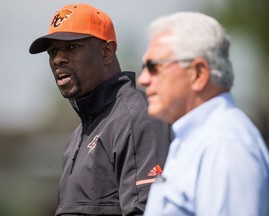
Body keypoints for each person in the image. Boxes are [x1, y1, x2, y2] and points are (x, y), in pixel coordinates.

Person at [29, 3, 171, 216]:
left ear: (106, 52)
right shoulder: (77, 136)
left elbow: (148, 210)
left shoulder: (136, 116)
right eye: (53, 51)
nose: (58, 59)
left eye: (72, 47)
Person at [137, 12, 269, 216]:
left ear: (198, 73)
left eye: (154, 66)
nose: (142, 79)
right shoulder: (200, 139)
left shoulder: (224, 144)